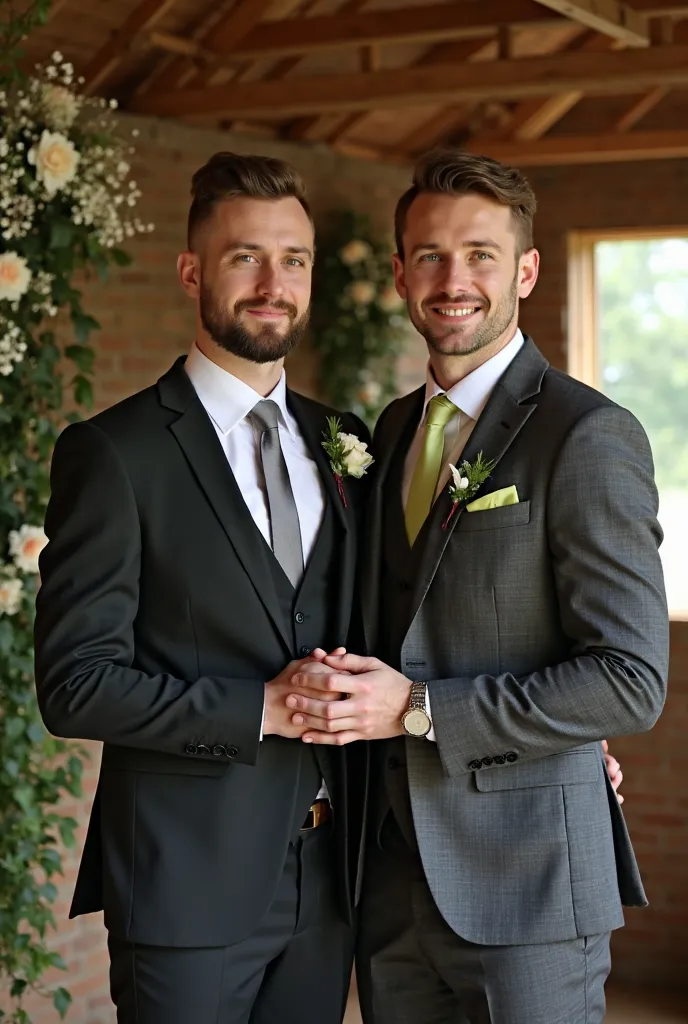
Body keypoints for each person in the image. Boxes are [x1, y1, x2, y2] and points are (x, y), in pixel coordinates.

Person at [287, 149, 669, 1024]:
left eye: (481, 254)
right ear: (398, 272)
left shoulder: (587, 436)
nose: (453, 279)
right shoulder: (389, 431)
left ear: (526, 270)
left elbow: (629, 679)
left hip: (529, 884)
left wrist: (418, 708)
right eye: (429, 254)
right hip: (388, 883)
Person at [33, 152, 372, 1024]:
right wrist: (257, 708)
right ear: (191, 271)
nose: (273, 283)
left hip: (332, 883)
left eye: (293, 259)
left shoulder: (345, 441)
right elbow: (76, 685)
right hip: (184, 885)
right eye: (244, 257)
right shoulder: (117, 454)